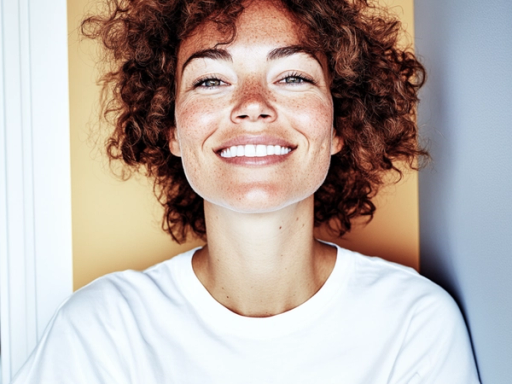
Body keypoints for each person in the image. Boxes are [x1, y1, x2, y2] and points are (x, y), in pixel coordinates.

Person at [12, 0, 480, 382]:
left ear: (340, 123)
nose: (253, 106)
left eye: (293, 77)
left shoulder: (415, 326)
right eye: (211, 80)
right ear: (171, 128)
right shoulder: (102, 331)